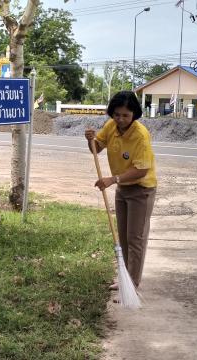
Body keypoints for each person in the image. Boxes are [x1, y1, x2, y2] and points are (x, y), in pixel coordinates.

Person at [85, 91, 157, 290]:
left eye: (125, 115)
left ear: (134, 114)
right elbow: (96, 148)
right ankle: (125, 277)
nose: (121, 119)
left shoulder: (140, 135)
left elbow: (141, 170)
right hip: (123, 188)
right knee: (123, 237)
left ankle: (132, 283)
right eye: (117, 114)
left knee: (135, 238)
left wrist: (112, 179)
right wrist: (90, 140)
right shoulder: (111, 126)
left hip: (141, 189)